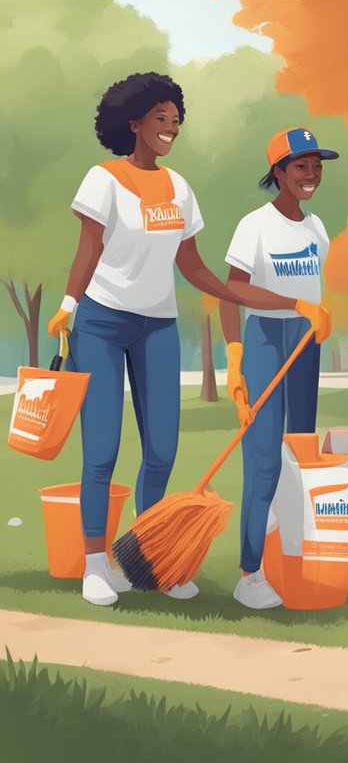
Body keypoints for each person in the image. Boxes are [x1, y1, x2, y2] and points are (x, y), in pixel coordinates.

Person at [47, 72, 327, 607]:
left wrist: (292, 303)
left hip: (158, 325)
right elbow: (88, 249)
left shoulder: (179, 189)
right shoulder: (102, 179)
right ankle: (95, 564)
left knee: (162, 452)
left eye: (176, 120)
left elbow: (200, 273)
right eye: (161, 119)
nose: (171, 128)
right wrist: (68, 306)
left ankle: (148, 557)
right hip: (101, 323)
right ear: (133, 123)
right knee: (102, 449)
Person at [219, 127, 340, 609]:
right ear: (278, 172)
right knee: (265, 460)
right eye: (300, 166)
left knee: (299, 452)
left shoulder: (317, 228)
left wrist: (315, 313)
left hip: (303, 345)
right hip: (266, 341)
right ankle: (250, 573)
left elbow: (313, 291)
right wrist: (234, 358)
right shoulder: (255, 225)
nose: (310, 175)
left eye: (316, 165)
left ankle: (290, 555)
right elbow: (232, 291)